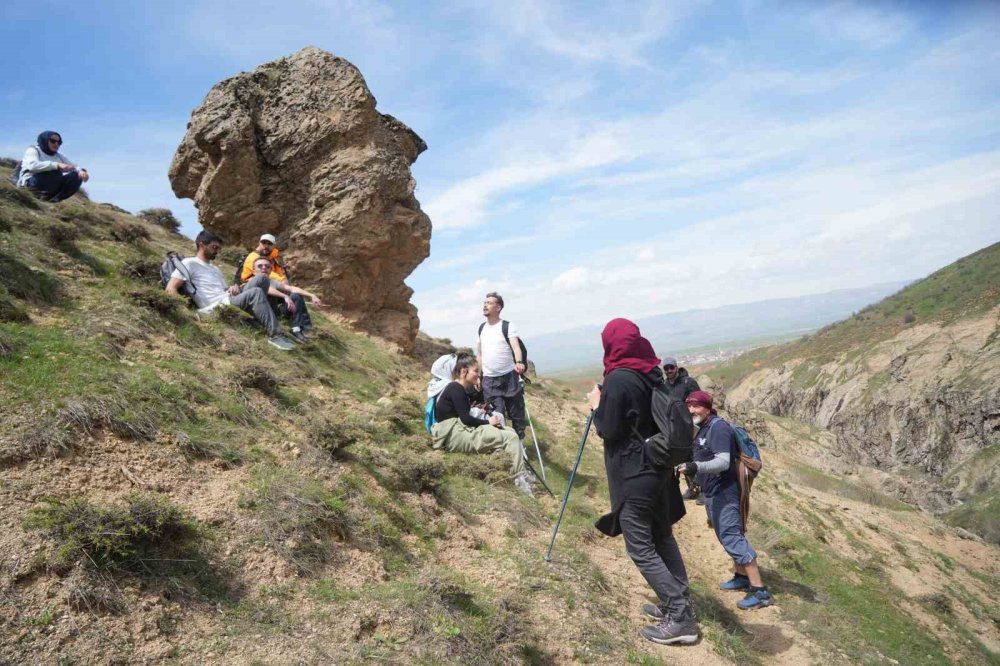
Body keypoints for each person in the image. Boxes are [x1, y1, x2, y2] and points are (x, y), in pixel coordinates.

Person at [586, 319, 697, 645]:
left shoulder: (619, 378)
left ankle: (681, 617)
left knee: (640, 546)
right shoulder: (650, 372)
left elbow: (608, 428)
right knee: (662, 535)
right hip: (658, 468)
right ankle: (680, 599)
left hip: (635, 473)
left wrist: (596, 406)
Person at [676, 390, 773, 610]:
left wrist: (695, 467)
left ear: (708, 408)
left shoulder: (718, 428)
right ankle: (741, 576)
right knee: (725, 535)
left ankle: (760, 592)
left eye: (696, 406)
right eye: (689, 406)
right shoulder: (703, 427)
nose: (691, 410)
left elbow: (722, 462)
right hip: (712, 491)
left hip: (725, 491)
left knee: (732, 537)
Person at [164, 230, 296, 351]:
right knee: (255, 292)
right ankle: (275, 335)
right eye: (214, 247)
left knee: (262, 278)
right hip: (215, 306)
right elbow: (171, 287)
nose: (217, 251)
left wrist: (232, 288)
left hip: (228, 297)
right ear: (202, 245)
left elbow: (224, 290)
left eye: (218, 248)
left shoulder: (215, 268)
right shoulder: (189, 263)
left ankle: (262, 319)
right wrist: (184, 312)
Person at [430, 354, 534, 495]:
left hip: (455, 432)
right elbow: (466, 419)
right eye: (476, 371)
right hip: (454, 436)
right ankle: (519, 479)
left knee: (509, 431)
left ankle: (519, 472)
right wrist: (488, 422)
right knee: (511, 438)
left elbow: (465, 418)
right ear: (464, 371)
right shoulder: (456, 389)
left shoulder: (456, 388)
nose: (479, 375)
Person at [476, 292, 526, 441]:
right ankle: (502, 444)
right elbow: (479, 354)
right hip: (489, 379)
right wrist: (478, 375)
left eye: (489, 303)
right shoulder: (481, 328)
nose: (485, 305)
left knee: (516, 413)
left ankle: (519, 442)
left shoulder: (507, 326)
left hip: (509, 376)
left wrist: (519, 362)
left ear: (498, 308)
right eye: (484, 303)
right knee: (495, 414)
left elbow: (516, 347)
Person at [249, 257, 322, 344]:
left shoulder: (272, 282)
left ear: (270, 270)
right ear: (254, 270)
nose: (264, 268)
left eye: (267, 266)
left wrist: (312, 295)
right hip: (260, 314)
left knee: (296, 296)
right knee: (282, 296)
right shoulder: (251, 281)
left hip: (275, 314)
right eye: (260, 266)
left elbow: (291, 288)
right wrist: (284, 296)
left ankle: (299, 329)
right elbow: (267, 289)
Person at [662, 356, 702, 501]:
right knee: (682, 457)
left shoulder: (688, 382)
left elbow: (699, 401)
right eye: (666, 368)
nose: (669, 370)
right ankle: (693, 489)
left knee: (697, 456)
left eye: (671, 367)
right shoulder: (664, 385)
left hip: (691, 427)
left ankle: (705, 491)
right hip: (675, 429)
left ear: (677, 368)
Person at [17, 131, 90, 202]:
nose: (56, 144)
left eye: (59, 142)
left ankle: (55, 199)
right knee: (55, 171)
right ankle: (38, 196)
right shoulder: (33, 150)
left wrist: (81, 171)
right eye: (53, 141)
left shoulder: (59, 156)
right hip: (30, 184)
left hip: (49, 185)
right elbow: (32, 166)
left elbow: (73, 166)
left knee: (76, 175)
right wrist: (56, 165)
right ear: (44, 140)